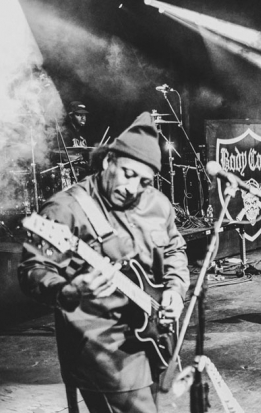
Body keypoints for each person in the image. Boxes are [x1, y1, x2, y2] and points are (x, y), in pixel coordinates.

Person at [19, 112, 189, 412]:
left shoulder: (157, 203)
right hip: (103, 347)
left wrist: (175, 290)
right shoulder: (66, 209)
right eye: (128, 174)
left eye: (145, 181)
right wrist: (70, 290)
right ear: (109, 160)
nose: (133, 188)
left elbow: (175, 248)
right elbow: (32, 271)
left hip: (154, 335)